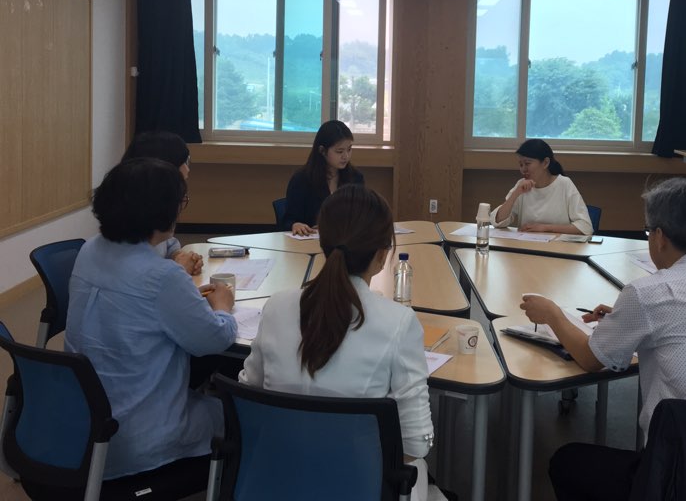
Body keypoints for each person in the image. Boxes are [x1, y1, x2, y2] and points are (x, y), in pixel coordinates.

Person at [520, 179, 686, 501]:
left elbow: (591, 359)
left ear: (659, 237)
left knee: (567, 462)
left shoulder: (650, 292)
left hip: (683, 475)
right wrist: (629, 320)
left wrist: (553, 314)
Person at [241, 185, 434, 501]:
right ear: (382, 255)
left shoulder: (277, 306)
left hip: (275, 478)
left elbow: (250, 395)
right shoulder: (398, 322)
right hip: (357, 485)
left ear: (322, 243)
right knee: (420, 471)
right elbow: (415, 444)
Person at [65, 158, 236, 490]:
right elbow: (215, 340)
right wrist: (223, 306)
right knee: (242, 415)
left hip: (82, 426)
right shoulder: (162, 276)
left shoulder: (88, 251)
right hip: (138, 438)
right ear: (163, 211)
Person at [121, 130, 203, 275]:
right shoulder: (129, 247)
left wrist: (177, 255)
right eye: (183, 162)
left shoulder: (147, 218)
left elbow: (167, 243)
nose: (187, 169)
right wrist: (178, 271)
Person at [493, 138, 592, 235]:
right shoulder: (521, 186)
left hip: (558, 244)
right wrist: (515, 194)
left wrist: (546, 228)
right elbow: (498, 221)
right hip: (527, 244)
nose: (523, 169)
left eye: (527, 163)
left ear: (545, 163)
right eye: (521, 164)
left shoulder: (564, 184)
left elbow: (585, 226)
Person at [282, 120, 364, 235]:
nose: (346, 156)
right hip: (310, 240)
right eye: (339, 151)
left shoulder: (355, 178)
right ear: (322, 151)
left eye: (349, 149)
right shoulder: (302, 179)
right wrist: (295, 224)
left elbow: (361, 216)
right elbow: (288, 220)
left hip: (345, 240)